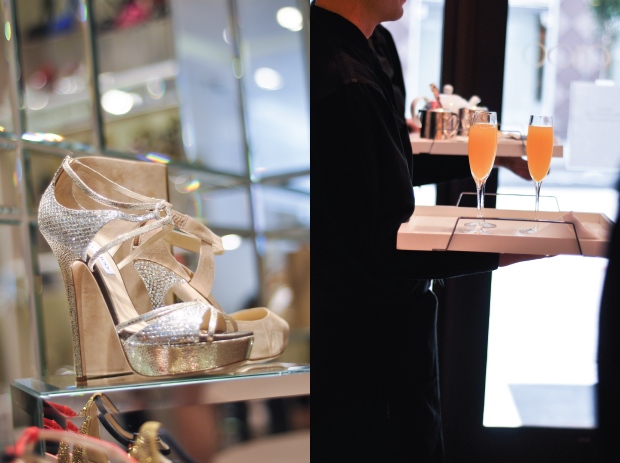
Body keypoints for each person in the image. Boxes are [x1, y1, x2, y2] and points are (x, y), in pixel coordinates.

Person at [311, 1, 543, 461]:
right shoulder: (348, 82)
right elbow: (385, 248)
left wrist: (492, 155)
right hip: (371, 348)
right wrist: (516, 245)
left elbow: (387, 166)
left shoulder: (365, 46)